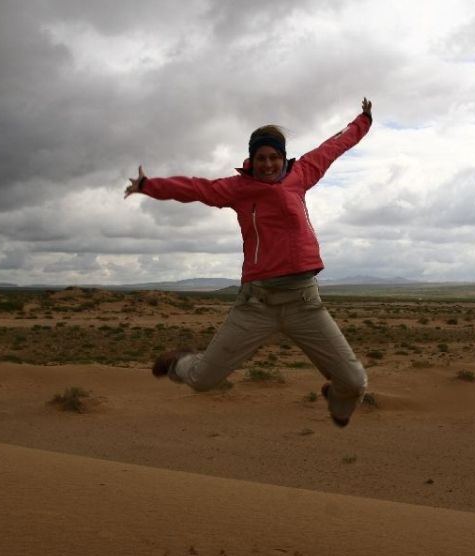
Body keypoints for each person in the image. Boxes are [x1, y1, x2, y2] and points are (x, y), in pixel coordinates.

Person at [124, 97, 373, 427]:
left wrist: (364, 120)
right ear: (252, 160)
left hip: (304, 303)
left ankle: (337, 403)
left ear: (283, 158)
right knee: (201, 379)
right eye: (261, 158)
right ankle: (179, 361)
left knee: (354, 383)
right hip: (257, 303)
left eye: (274, 157)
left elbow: (335, 145)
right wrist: (149, 186)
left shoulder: (302, 174)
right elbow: (196, 188)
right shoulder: (237, 189)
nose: (268, 164)